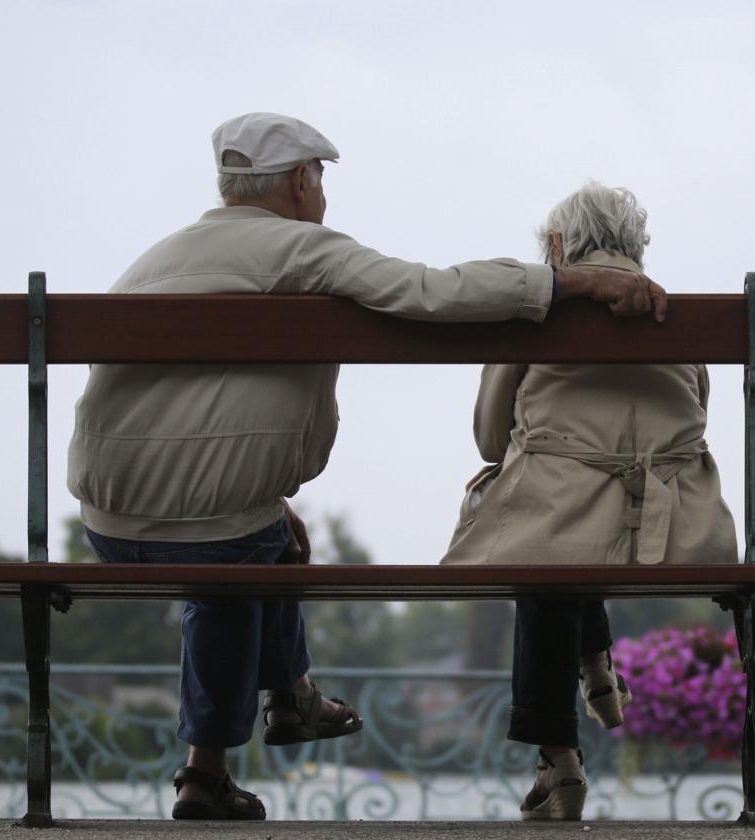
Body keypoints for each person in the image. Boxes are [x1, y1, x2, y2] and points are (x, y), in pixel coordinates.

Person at [67, 114, 666, 822]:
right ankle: (263, 720)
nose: (322, 194)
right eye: (320, 177)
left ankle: (251, 735)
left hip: (104, 522)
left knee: (262, 544)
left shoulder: (157, 259)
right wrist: (570, 285)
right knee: (232, 562)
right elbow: (431, 291)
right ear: (299, 181)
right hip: (214, 530)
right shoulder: (304, 249)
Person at [441, 182, 737, 820]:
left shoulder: (532, 314)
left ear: (555, 247)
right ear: (635, 248)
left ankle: (561, 760)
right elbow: (694, 426)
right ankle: (596, 659)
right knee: (574, 525)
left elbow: (491, 438)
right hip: (678, 535)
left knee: (547, 538)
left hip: (558, 530)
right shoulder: (684, 319)